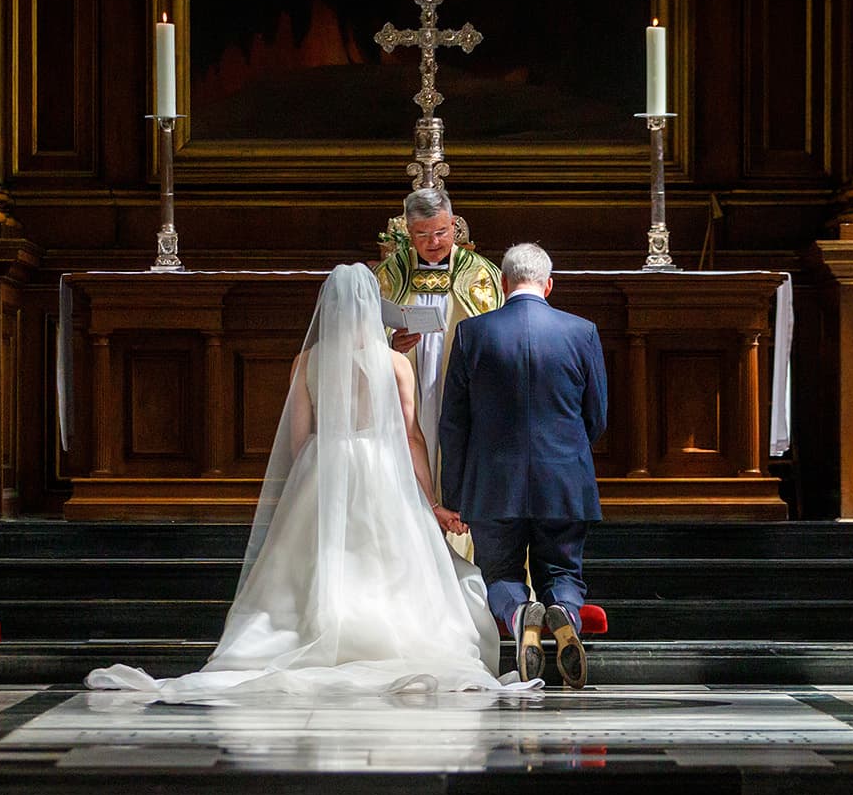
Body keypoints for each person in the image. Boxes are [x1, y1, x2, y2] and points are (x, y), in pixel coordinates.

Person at [86, 265, 528, 700]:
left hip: (325, 466)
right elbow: (412, 438)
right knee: (390, 561)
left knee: (312, 566)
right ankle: (387, 636)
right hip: (382, 469)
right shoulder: (395, 363)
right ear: (373, 308)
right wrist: (429, 501)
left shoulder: (306, 363)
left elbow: (299, 442)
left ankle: (311, 633)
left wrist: (315, 482)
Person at [437, 242, 607, 688]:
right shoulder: (582, 332)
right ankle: (565, 615)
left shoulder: (473, 334)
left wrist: (452, 497)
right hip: (564, 479)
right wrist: (564, 456)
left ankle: (518, 615)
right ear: (548, 284)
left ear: (503, 283)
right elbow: (598, 416)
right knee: (564, 570)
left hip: (493, 483)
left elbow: (453, 424)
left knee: (501, 573)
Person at [373, 186, 503, 515]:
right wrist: (390, 344)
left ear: (453, 226)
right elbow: (362, 334)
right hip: (407, 384)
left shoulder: (482, 274)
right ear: (408, 231)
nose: (433, 243)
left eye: (441, 232)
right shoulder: (390, 274)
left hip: (459, 384)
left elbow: (497, 332)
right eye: (422, 235)